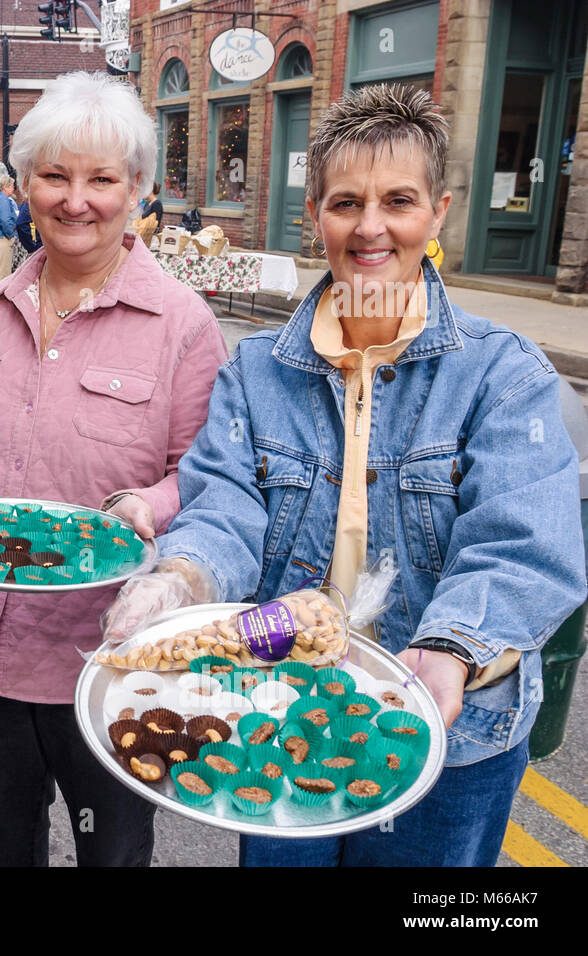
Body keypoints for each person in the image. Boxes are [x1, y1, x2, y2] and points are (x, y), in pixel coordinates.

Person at [103, 84, 587, 867]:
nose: (370, 227)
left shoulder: (503, 374)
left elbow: (524, 541)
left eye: (397, 200)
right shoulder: (256, 370)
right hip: (281, 708)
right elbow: (226, 504)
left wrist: (451, 649)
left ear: (438, 212)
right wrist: (183, 578)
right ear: (314, 216)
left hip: (449, 731)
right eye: (345, 202)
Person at [0, 72, 228, 866]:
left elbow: (208, 479)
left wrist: (152, 504)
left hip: (112, 658)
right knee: (0, 845)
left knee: (114, 854)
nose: (77, 200)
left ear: (136, 188)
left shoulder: (183, 326)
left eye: (101, 179)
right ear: (24, 184)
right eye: (56, 176)